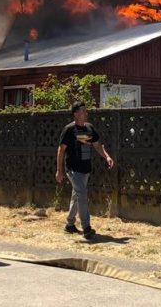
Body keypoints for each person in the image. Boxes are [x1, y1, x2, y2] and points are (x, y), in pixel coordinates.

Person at [56, 102, 114, 240]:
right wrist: (59, 170)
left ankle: (69, 224)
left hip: (86, 169)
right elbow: (61, 150)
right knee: (82, 194)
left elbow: (97, 145)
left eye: (86, 111)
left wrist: (107, 156)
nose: (86, 113)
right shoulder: (69, 129)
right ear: (75, 113)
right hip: (72, 169)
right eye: (82, 111)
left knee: (77, 196)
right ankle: (86, 228)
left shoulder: (89, 128)